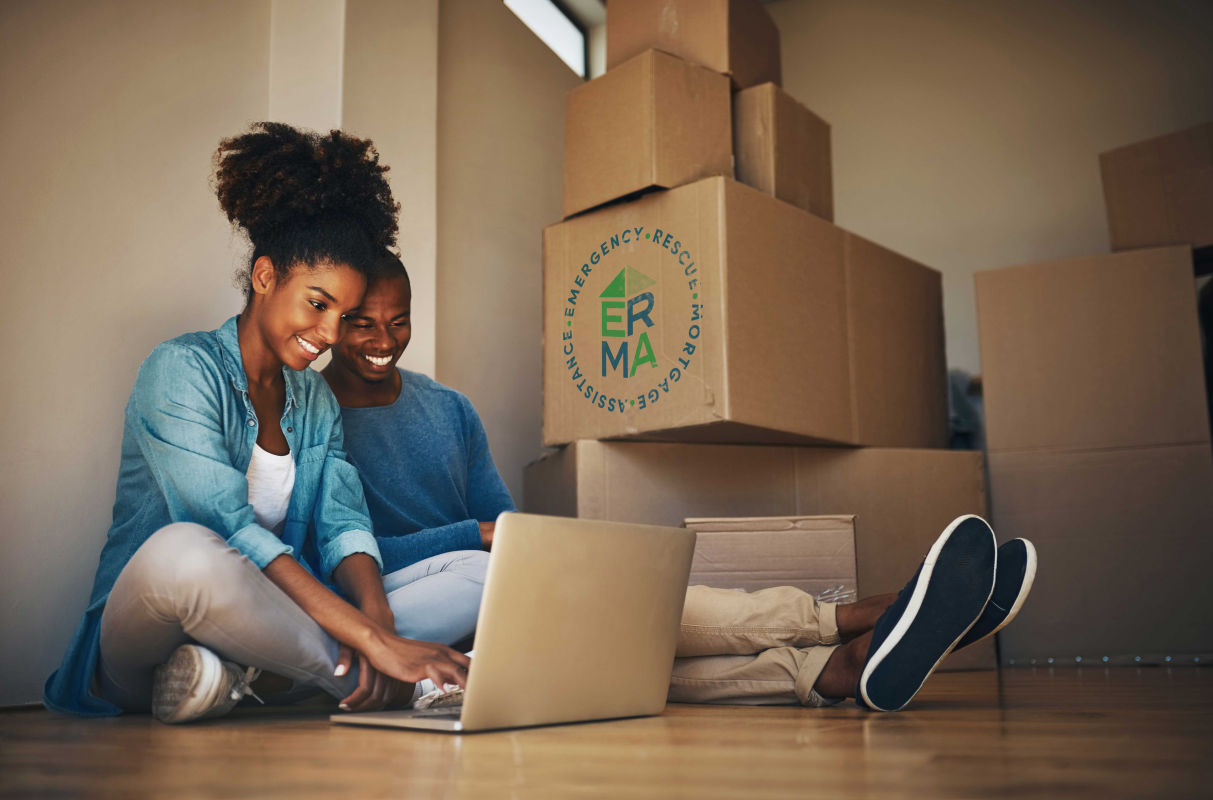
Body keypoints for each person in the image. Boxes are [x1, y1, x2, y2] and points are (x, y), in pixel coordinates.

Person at [325, 254, 1039, 711]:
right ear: (331, 322)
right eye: (361, 325)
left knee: (632, 652)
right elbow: (349, 549)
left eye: (399, 322)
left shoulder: (448, 408)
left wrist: (506, 548)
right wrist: (478, 539)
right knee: (629, 646)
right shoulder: (315, 415)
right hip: (425, 613)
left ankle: (843, 664)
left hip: (496, 593)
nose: (382, 341)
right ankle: (872, 618)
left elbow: (505, 524)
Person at [44, 123, 474, 725]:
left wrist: (378, 621)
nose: (329, 335)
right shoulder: (180, 369)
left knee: (477, 570)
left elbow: (343, 524)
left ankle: (245, 679)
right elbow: (233, 530)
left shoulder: (314, 400)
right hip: (148, 632)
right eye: (318, 304)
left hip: (266, 622)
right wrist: (378, 645)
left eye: (343, 315)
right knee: (186, 552)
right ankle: (381, 684)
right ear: (266, 276)